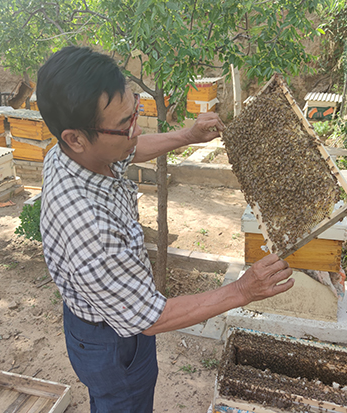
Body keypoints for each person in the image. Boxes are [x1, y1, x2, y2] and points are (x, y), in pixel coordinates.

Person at [37, 45, 294, 413]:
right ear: (75, 138)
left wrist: (187, 135)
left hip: (106, 313)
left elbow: (128, 150)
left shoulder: (75, 152)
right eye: (125, 123)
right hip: (111, 341)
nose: (136, 127)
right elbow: (153, 317)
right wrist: (242, 289)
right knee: (123, 402)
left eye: (135, 110)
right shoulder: (88, 228)